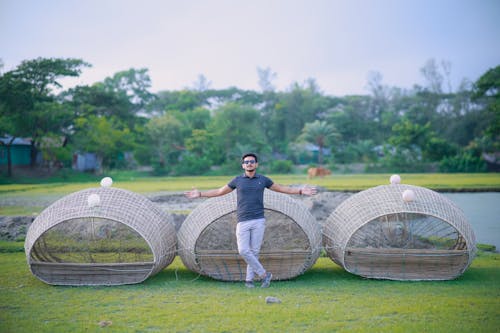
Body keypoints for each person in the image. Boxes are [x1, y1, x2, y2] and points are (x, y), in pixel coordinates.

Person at [184, 153, 317, 288]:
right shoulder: (237, 181)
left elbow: (282, 188)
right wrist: (200, 194)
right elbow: (219, 191)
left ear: (256, 164)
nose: (249, 164)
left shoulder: (263, 180)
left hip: (259, 221)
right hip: (243, 221)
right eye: (246, 162)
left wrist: (300, 191)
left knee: (254, 252)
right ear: (243, 165)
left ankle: (249, 281)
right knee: (243, 250)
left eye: (252, 161)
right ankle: (264, 274)